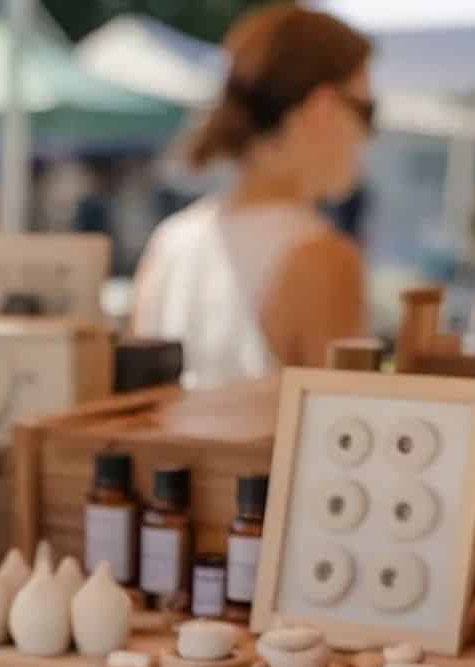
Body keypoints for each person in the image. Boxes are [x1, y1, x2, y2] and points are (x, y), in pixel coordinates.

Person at [131, 5, 374, 388]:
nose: (368, 135)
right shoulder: (321, 255)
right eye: (367, 109)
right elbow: (344, 429)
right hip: (264, 450)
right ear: (322, 106)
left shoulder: (170, 242)